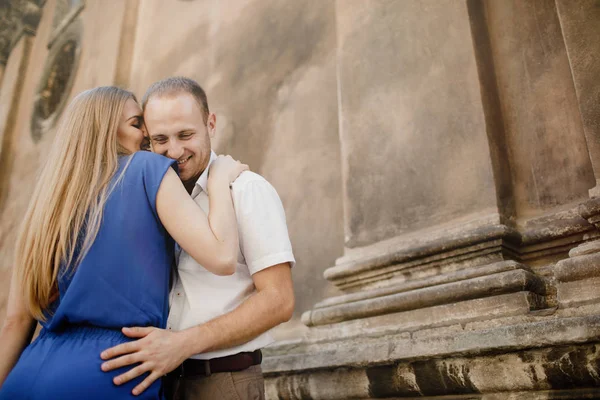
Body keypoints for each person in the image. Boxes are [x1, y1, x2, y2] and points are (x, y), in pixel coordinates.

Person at [0, 86, 247, 399]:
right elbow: (222, 257)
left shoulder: (47, 206)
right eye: (136, 123)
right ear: (104, 130)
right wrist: (218, 179)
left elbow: (15, 323)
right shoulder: (147, 169)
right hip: (111, 372)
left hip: (28, 375)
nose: (146, 134)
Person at [100, 77, 295, 399]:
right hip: (159, 381)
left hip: (224, 380)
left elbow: (279, 300)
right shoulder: (153, 197)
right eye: (160, 139)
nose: (174, 151)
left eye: (186, 135)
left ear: (211, 123)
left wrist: (183, 343)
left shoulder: (246, 190)